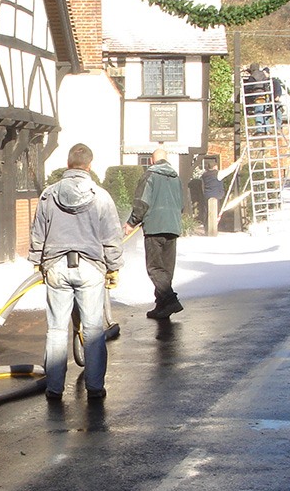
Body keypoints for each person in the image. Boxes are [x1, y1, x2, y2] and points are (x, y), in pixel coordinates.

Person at [28, 143, 123, 401]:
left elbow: (38, 231)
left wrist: (38, 261)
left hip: (56, 267)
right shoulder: (101, 196)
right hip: (91, 268)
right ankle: (94, 388)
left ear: (68, 164)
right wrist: (113, 267)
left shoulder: (49, 194)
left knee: (57, 329)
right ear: (89, 166)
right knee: (92, 330)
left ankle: (54, 388)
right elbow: (112, 236)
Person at [124, 147, 184, 320]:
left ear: (152, 160)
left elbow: (142, 202)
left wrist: (131, 222)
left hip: (155, 228)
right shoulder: (176, 178)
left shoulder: (149, 175)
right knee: (166, 269)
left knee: (155, 268)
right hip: (173, 226)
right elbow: (182, 204)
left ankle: (170, 301)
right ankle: (161, 306)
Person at [200, 161, 225, 235]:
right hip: (216, 196)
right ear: (215, 167)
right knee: (215, 213)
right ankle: (213, 230)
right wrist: (237, 162)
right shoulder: (218, 174)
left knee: (207, 213)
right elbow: (229, 170)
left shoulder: (204, 175)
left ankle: (207, 229)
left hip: (207, 196)